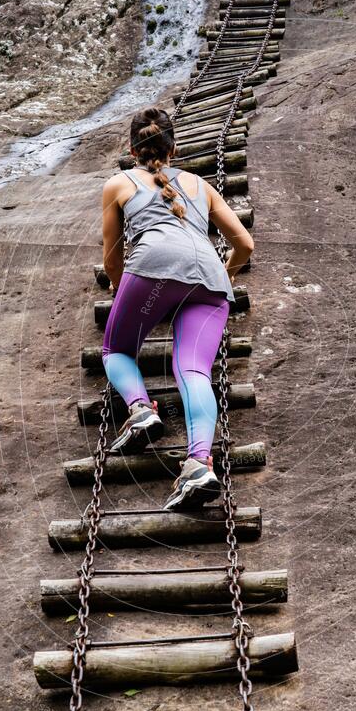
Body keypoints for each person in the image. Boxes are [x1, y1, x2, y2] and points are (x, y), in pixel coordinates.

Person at [101, 106, 254, 510]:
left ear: (133, 151)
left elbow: (113, 259)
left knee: (116, 349)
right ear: (175, 147)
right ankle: (199, 462)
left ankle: (139, 410)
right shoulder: (201, 186)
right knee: (192, 370)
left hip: (151, 264)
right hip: (210, 277)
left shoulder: (119, 183)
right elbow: (245, 245)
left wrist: (125, 296)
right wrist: (221, 277)